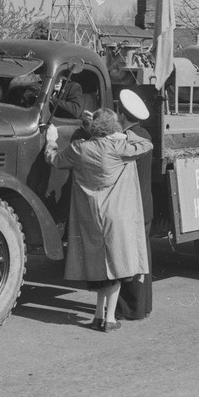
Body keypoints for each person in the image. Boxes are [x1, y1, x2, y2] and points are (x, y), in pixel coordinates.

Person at [44, 108, 152, 332]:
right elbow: (146, 145)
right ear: (113, 129)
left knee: (100, 268)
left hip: (90, 216)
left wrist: (51, 140)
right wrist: (123, 134)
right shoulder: (118, 147)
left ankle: (97, 315)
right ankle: (110, 319)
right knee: (116, 267)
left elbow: (53, 159)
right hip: (116, 215)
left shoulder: (79, 148)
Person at [115, 89, 154, 321]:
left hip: (132, 207)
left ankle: (129, 309)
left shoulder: (128, 140)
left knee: (128, 257)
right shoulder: (144, 135)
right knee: (143, 256)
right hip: (144, 205)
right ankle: (143, 306)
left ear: (122, 115)